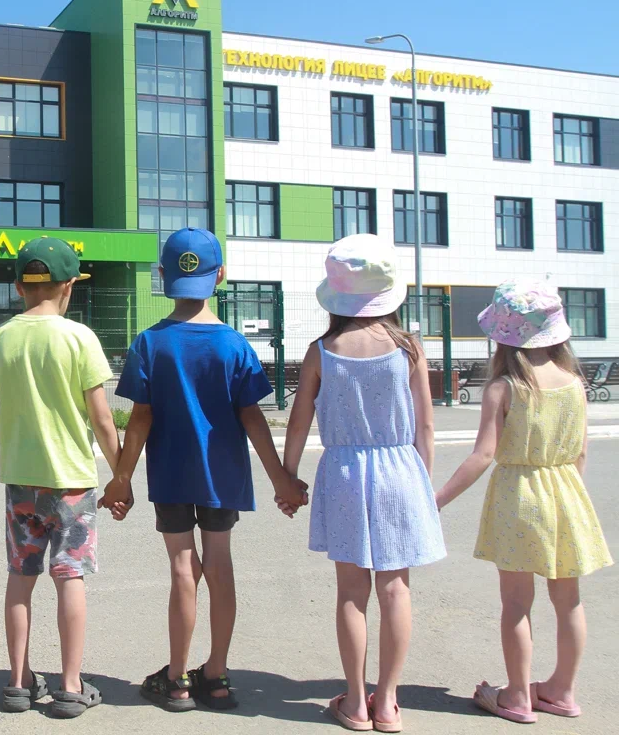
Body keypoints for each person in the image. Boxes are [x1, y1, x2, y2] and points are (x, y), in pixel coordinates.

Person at [103, 228, 309, 712]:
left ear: (162, 276)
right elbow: (252, 417)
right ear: (221, 276)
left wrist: (120, 479)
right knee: (220, 564)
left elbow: (140, 419)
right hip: (224, 475)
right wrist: (281, 480)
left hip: (171, 475)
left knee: (182, 567)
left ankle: (176, 679)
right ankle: (215, 676)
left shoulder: (150, 342)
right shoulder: (235, 345)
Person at [0, 237, 122, 719]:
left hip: (21, 483)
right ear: (70, 286)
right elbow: (103, 419)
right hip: (73, 482)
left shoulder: (1, 339)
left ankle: (18, 682)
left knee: (21, 577)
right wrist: (121, 476)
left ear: (18, 287)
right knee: (70, 576)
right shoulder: (80, 338)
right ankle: (70, 686)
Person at [282, 234, 445, 732]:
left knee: (352, 592)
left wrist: (288, 477)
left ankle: (355, 701)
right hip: (401, 471)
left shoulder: (321, 351)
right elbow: (426, 426)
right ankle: (388, 702)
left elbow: (299, 421)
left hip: (345, 474)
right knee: (395, 590)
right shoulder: (408, 348)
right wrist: (424, 484)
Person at [436, 280, 612, 724]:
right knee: (569, 601)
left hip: (518, 498)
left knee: (516, 602)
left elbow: (483, 456)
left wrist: (435, 500)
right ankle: (562, 691)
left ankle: (516, 695)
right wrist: (565, 496)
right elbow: (581, 453)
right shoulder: (575, 384)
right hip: (567, 494)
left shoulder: (505, 387)